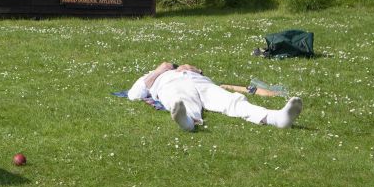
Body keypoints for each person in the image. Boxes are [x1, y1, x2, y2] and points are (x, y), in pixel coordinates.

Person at [128, 62, 303, 132]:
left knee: (232, 100)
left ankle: (276, 118)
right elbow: (133, 95)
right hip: (171, 84)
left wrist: (194, 70)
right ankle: (186, 121)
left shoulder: (188, 70)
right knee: (181, 100)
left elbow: (204, 76)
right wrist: (159, 70)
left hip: (201, 83)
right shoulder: (153, 75)